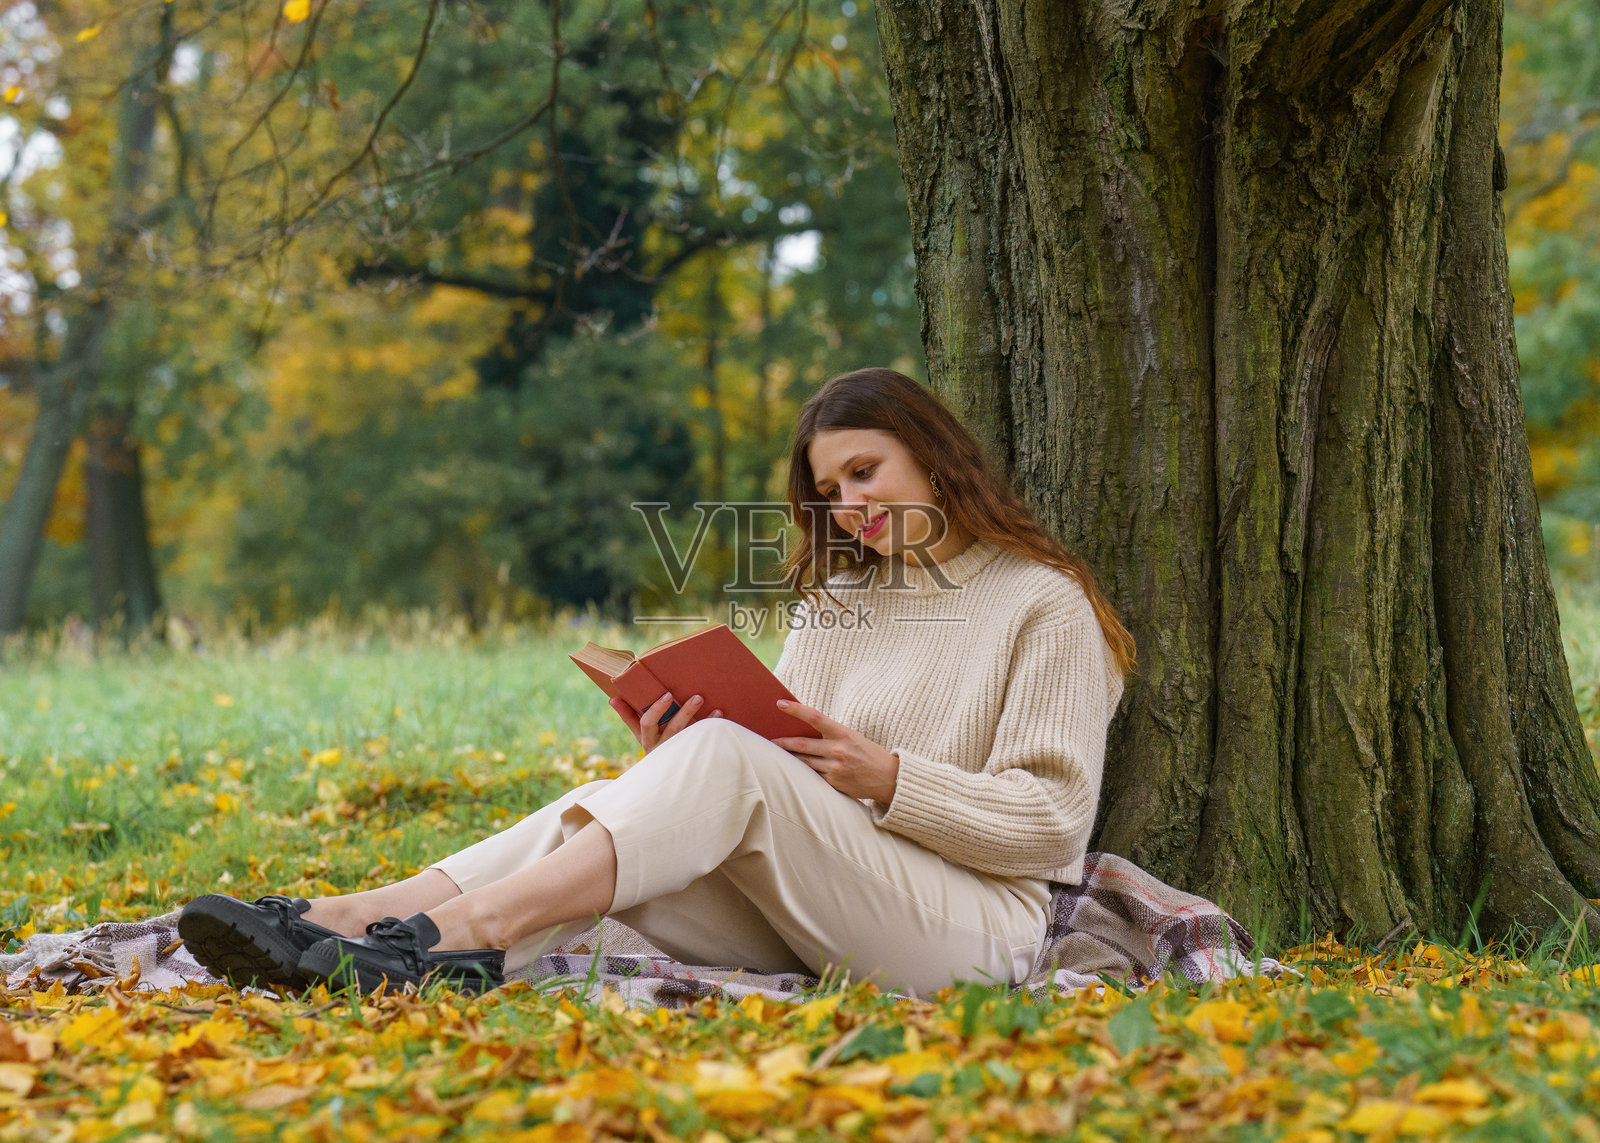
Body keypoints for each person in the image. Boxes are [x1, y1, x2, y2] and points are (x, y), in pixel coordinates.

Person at [177, 367, 1136, 998]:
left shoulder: (1041, 603)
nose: (849, 506)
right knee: (604, 804)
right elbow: (766, 766)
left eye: (864, 470)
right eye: (829, 491)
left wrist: (887, 777)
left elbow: (1052, 822)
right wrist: (672, 761)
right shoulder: (842, 601)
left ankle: (448, 935)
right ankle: (351, 928)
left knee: (718, 763)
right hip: (829, 909)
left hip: (972, 932)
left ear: (934, 454)